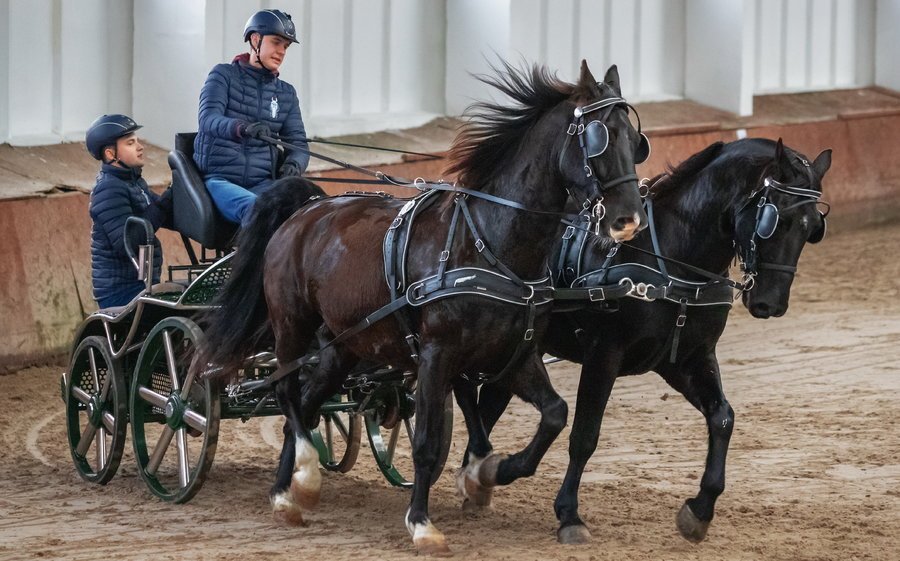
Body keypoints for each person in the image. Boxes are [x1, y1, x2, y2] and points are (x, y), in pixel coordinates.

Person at [193, 9, 310, 226]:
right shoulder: (222, 75)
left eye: (285, 46)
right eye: (276, 42)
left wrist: (294, 164)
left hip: (263, 183)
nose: (282, 51)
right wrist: (242, 128)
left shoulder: (286, 93)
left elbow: (298, 143)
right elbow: (208, 119)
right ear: (256, 39)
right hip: (220, 180)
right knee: (260, 211)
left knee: (310, 214)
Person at [86, 114, 173, 309]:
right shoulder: (108, 189)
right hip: (120, 292)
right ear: (111, 154)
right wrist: (166, 200)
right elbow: (129, 241)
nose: (140, 147)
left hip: (142, 283)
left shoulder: (133, 183)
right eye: (131, 143)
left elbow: (163, 213)